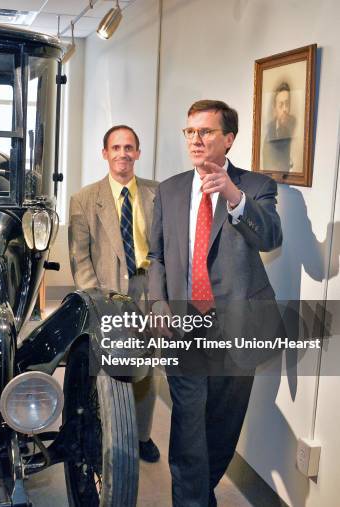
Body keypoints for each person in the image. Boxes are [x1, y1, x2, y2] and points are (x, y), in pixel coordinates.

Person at [148, 100, 282, 506]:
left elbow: (272, 237)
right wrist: (157, 300)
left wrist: (234, 196)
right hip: (184, 327)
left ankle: (201, 494)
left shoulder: (256, 186)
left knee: (223, 426)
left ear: (229, 139)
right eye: (190, 131)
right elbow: (155, 255)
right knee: (188, 423)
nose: (196, 140)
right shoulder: (168, 190)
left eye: (205, 132)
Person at [68, 124, 160, 463]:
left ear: (138, 152)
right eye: (116, 147)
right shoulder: (84, 199)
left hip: (147, 292)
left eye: (129, 147)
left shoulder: (157, 194)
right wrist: (97, 301)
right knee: (105, 366)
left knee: (147, 368)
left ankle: (142, 436)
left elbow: (165, 249)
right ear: (105, 153)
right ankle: (102, 432)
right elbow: (80, 257)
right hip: (105, 291)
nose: (123, 153)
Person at [262, 82, 297, 172]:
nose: (285, 109)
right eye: (281, 105)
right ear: (275, 108)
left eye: (287, 104)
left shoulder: (295, 128)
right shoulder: (269, 130)